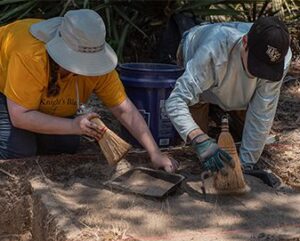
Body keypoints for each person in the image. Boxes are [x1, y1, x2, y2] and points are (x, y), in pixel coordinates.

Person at [0, 9, 178, 173]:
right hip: (5, 89)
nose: (85, 69)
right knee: (19, 152)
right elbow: (20, 115)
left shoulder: (99, 63)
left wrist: (155, 153)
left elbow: (124, 109)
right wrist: (72, 126)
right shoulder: (29, 55)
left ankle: (33, 134)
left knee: (65, 145)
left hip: (35, 102)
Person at [165, 16, 292, 176]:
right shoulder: (213, 51)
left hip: (236, 91)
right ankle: (207, 108)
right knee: (200, 151)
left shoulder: (281, 57)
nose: (260, 74)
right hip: (202, 72)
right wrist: (198, 139)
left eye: (266, 70)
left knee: (245, 140)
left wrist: (246, 165)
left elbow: (262, 114)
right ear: (245, 42)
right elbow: (175, 101)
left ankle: (228, 111)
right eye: (257, 66)